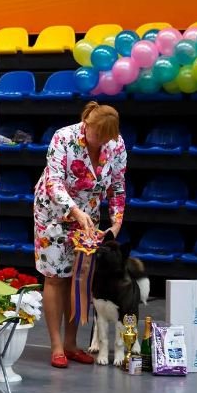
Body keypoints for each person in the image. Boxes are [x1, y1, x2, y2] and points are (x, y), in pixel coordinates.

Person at [33, 101, 127, 369]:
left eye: (107, 138)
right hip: (53, 213)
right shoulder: (63, 137)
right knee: (55, 277)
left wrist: (116, 223)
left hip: (89, 216)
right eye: (98, 135)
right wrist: (74, 211)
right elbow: (53, 181)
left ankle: (72, 344)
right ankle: (56, 346)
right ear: (87, 124)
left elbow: (118, 186)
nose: (102, 141)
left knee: (79, 277)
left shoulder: (117, 144)